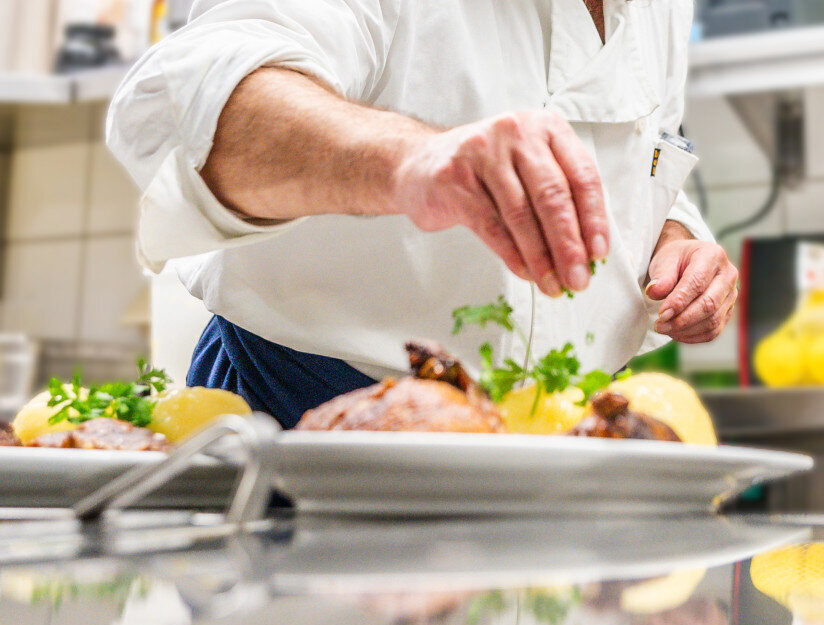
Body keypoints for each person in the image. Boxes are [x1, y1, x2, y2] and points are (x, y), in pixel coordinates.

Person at [107, 0, 740, 428]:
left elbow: (644, 161)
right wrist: (411, 159)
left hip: (559, 449)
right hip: (304, 423)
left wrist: (674, 242)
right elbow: (180, 102)